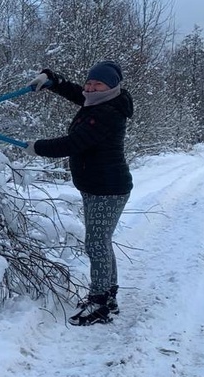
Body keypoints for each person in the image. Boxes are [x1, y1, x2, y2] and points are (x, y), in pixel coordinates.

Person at [25, 60, 133, 326]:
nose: (91, 87)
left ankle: (100, 303)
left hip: (107, 189)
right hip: (97, 186)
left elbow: (73, 143)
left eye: (98, 84)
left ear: (112, 87)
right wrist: (52, 80)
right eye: (90, 82)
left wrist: (36, 147)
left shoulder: (107, 113)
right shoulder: (100, 100)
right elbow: (78, 93)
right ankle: (107, 295)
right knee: (101, 242)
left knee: (96, 243)